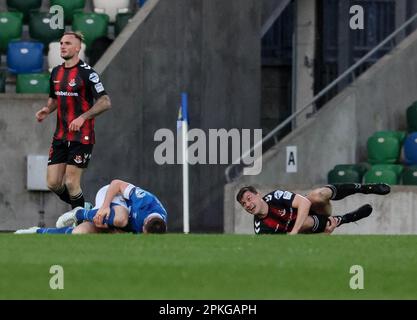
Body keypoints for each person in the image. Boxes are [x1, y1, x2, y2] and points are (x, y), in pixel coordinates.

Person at [35, 31, 111, 209]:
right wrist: (47, 109)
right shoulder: (55, 72)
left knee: (71, 182)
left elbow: (105, 102)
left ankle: (80, 222)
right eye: (61, 43)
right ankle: (84, 209)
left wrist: (83, 117)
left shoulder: (88, 74)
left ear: (78, 48)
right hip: (60, 136)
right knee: (53, 183)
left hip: (81, 136)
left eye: (68, 43)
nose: (62, 46)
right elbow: (54, 99)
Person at [15, 179, 168, 235]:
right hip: (113, 198)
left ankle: (36, 231)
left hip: (117, 223)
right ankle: (81, 213)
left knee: (80, 233)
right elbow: (116, 184)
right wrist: (105, 207)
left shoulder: (157, 225)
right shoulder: (145, 203)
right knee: (121, 219)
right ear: (145, 224)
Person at [236, 183, 391, 235]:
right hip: (307, 229)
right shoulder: (261, 229)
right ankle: (346, 218)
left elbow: (304, 203)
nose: (248, 205)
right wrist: (324, 234)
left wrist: (294, 232)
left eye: (249, 199)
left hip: (309, 212)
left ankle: (364, 188)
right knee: (302, 224)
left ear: (258, 195)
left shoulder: (275, 196)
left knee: (318, 195)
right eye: (244, 204)